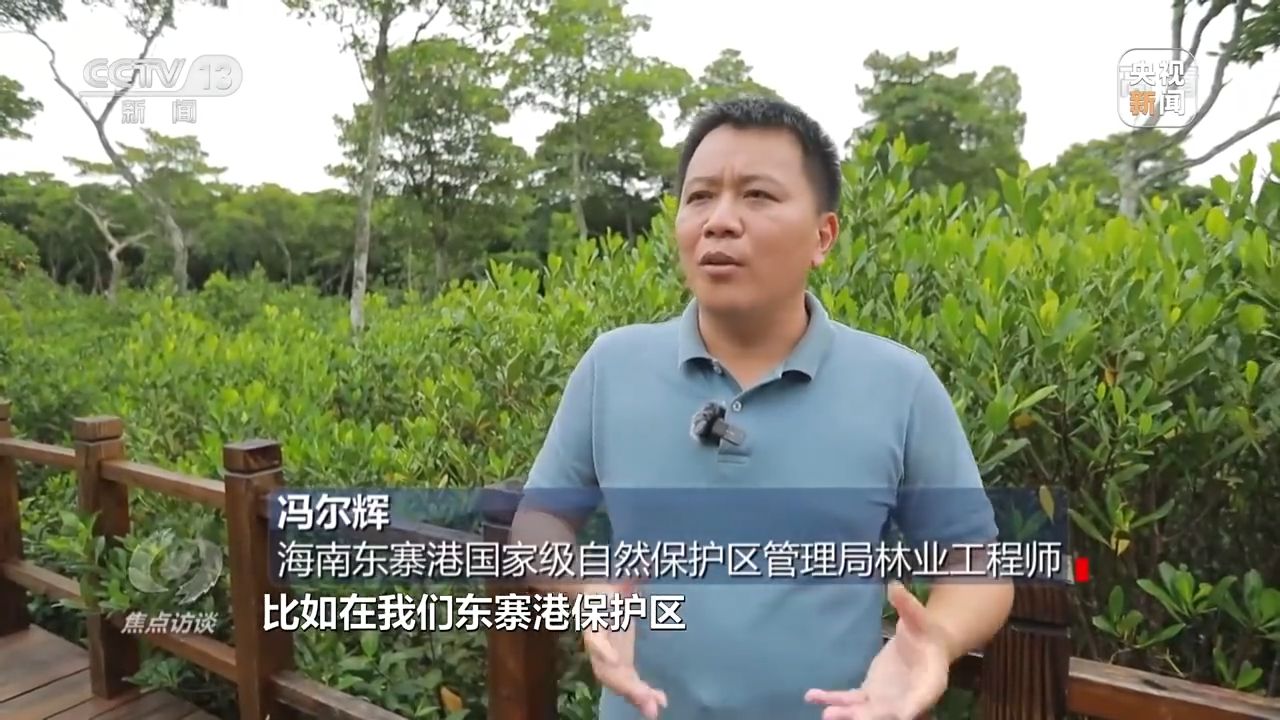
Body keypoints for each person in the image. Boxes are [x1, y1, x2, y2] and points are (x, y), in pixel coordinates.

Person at [509, 96, 1015, 720]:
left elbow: (975, 561)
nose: (720, 221)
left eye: (757, 195)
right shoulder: (612, 367)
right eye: (700, 197)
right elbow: (538, 522)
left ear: (822, 237)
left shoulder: (899, 385)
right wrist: (589, 593)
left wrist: (937, 639)